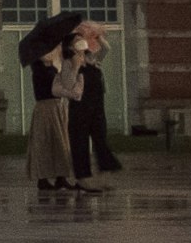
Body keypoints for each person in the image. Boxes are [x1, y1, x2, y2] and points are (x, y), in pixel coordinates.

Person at [70, 26, 123, 190]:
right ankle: (82, 177)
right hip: (80, 108)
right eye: (78, 41)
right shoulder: (72, 63)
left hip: (96, 108)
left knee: (101, 139)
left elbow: (106, 48)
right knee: (80, 142)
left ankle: (105, 172)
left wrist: (98, 36)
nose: (82, 43)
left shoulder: (94, 61)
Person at [24, 34, 75, 193]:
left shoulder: (51, 69)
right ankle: (43, 178)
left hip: (56, 106)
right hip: (47, 108)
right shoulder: (40, 69)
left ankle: (61, 177)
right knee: (44, 143)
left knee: (60, 142)